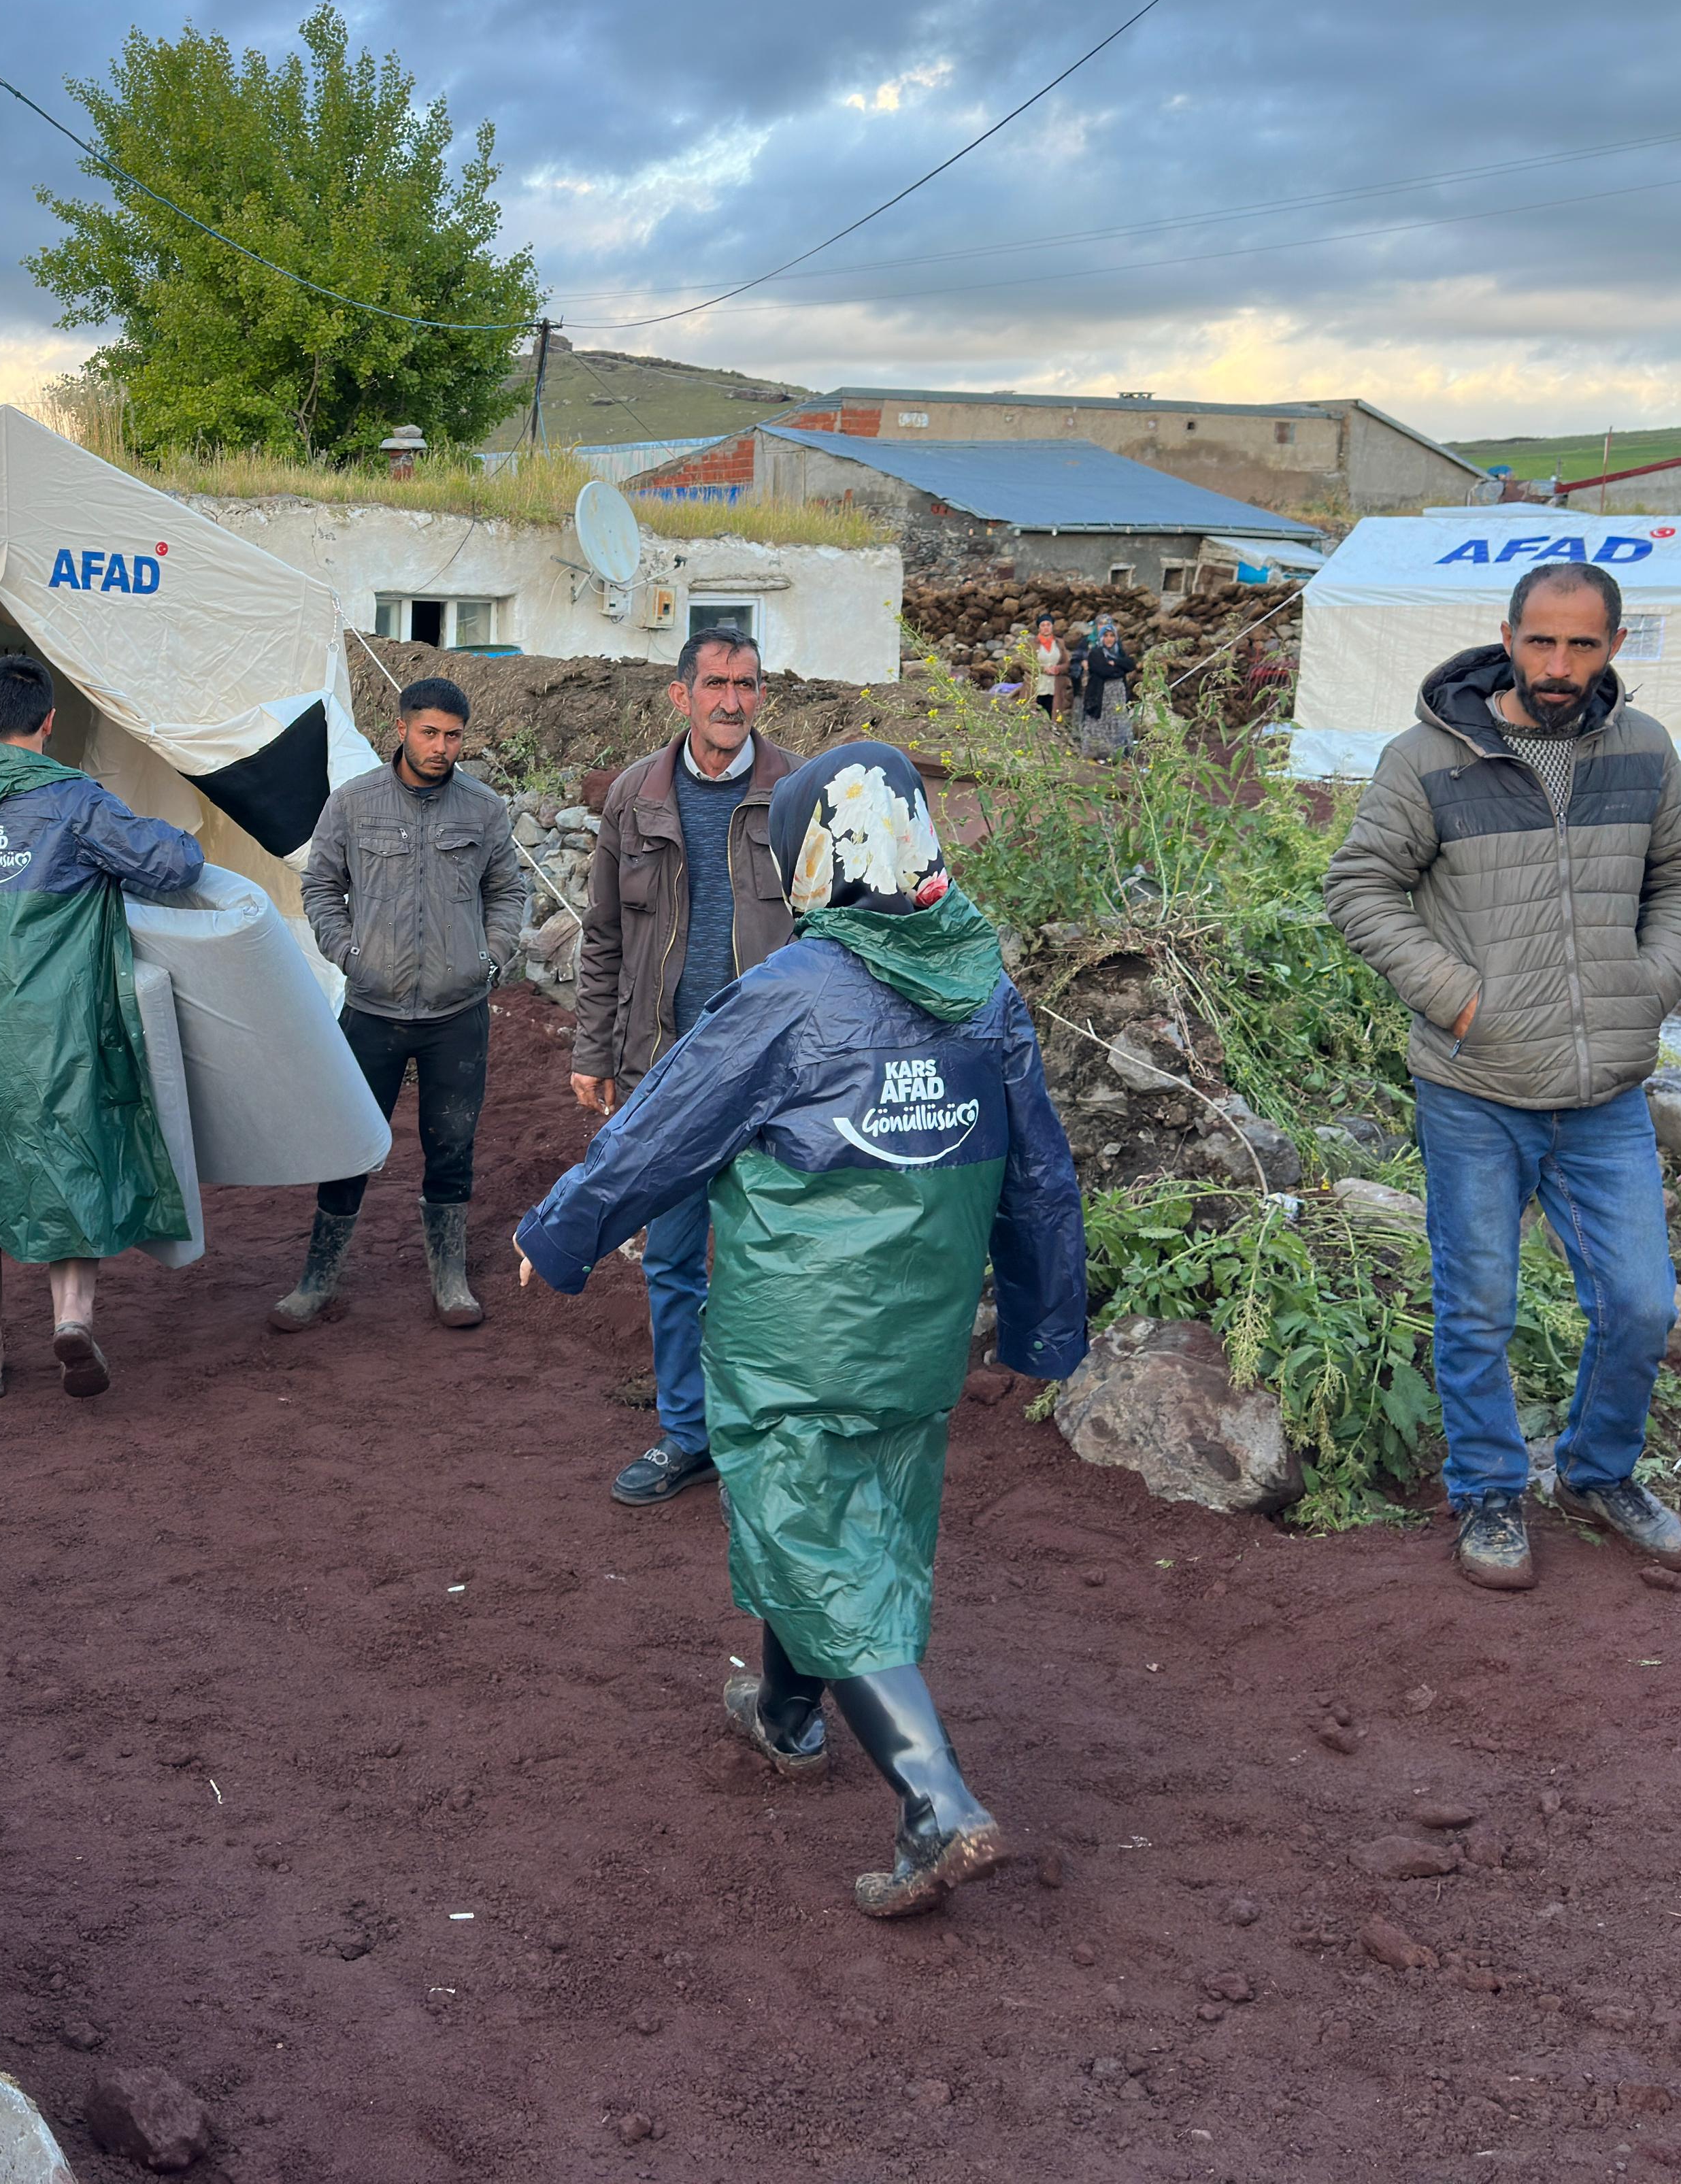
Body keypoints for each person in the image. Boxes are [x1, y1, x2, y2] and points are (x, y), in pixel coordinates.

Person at [517, 744, 1089, 1918]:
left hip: (801, 1332)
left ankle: (936, 1800)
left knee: (810, 1528)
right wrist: (1040, 1325)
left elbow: (663, 1129)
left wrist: (560, 1233)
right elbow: (1043, 1178)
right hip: (920, 1334)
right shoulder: (984, 990)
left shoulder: (792, 995)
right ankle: (785, 1715)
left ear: (809, 861)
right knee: (848, 1521)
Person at [1324, 558, 1681, 1595]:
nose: (1558, 664)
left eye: (1581, 644)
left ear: (1614, 648)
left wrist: (1652, 982)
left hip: (1605, 1095)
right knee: (1477, 1308)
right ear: (1507, 636)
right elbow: (1361, 886)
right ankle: (1491, 1493)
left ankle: (1598, 1474)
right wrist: (1460, 999)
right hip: (1475, 1086)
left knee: (1639, 1305)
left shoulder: (1645, 751)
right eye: (1540, 642)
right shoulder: (1429, 759)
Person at [0, 653, 203, 1402]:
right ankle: (71, 1319)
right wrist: (182, 840)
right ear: (49, 721)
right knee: (71, 1158)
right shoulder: (76, 801)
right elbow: (167, 866)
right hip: (56, 1026)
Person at [571, 626, 804, 1506]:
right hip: (664, 1071)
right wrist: (594, 1050)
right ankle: (686, 1434)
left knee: (768, 1263)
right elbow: (602, 938)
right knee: (671, 1261)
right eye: (716, 685)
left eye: (747, 685)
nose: (732, 702)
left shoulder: (798, 792)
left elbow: (841, 931)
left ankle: (767, 1432)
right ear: (682, 695)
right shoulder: (635, 797)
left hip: (772, 1078)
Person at [283, 674, 530, 1330]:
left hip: (457, 1013)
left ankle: (449, 1280)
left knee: (452, 1144)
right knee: (353, 1143)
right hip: (372, 1009)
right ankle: (318, 1279)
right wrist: (350, 953)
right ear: (401, 729)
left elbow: (509, 892)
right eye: (429, 732)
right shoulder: (354, 803)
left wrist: (489, 955)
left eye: (452, 736)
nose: (441, 747)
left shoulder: (483, 809)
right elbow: (320, 887)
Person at [1073, 615, 1137, 759]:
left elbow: (1131, 664)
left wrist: (1115, 664)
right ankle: (1095, 754)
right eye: (1106, 636)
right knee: (1099, 724)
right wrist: (1120, 669)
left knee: (1117, 722)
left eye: (1112, 636)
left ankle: (1118, 754)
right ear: (1102, 638)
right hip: (1101, 695)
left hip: (1117, 695)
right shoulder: (1096, 652)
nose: (1109, 639)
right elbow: (1102, 670)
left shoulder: (1118, 652)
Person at [1031, 617, 1064, 725]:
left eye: (1048, 625)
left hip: (1054, 686)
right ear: (1039, 628)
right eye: (1043, 625)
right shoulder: (1032, 644)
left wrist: (1058, 669)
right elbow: (1026, 663)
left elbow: (1067, 663)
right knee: (1036, 716)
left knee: (1052, 715)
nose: (1046, 628)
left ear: (1052, 626)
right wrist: (1042, 669)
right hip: (1037, 686)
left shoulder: (1059, 643)